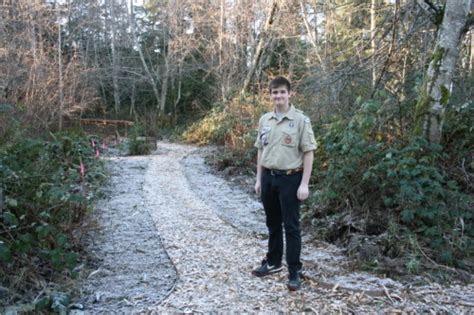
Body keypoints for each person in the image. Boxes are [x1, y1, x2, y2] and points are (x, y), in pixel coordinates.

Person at [252, 76, 316, 291]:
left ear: (289, 94)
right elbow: (261, 150)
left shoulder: (300, 120)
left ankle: (294, 270)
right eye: (274, 92)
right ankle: (273, 262)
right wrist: (259, 179)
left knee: (291, 226)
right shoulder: (265, 119)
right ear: (269, 95)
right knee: (272, 223)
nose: (278, 96)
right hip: (269, 178)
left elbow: (308, 152)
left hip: (291, 178)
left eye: (281, 92)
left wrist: (304, 184)